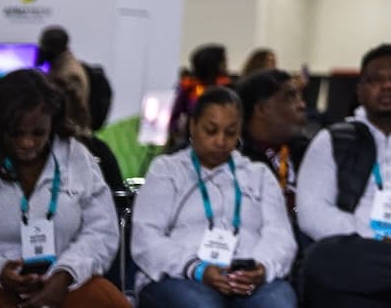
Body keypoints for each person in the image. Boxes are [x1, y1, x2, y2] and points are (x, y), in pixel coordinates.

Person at [130, 87, 295, 308]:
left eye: (230, 132)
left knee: (278, 304)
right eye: (211, 130)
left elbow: (280, 235)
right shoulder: (167, 170)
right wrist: (197, 269)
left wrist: (261, 268)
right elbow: (146, 238)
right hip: (182, 276)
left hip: (248, 279)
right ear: (193, 126)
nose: (220, 141)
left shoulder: (259, 175)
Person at [292, 47, 391, 308]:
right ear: (359, 90)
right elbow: (312, 213)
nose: (387, 86)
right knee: (321, 258)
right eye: (375, 79)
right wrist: (376, 238)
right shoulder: (332, 139)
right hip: (358, 253)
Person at [0, 71, 123, 308]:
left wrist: (66, 273)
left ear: (53, 124)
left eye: (38, 133)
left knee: (108, 301)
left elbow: (101, 230)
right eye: (16, 133)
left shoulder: (76, 157)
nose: (27, 143)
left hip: (67, 282)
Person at [232, 72, 310, 224]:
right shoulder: (236, 160)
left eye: (300, 97)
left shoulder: (308, 151)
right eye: (290, 97)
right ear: (261, 109)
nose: (302, 105)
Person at [169, 48, 229, 150]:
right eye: (223, 61)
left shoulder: (226, 85)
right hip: (191, 138)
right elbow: (176, 113)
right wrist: (175, 134)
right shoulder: (189, 87)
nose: (226, 65)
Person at [31, 34, 87, 133]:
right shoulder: (60, 67)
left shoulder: (67, 74)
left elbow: (73, 111)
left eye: (43, 46)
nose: (40, 50)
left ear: (52, 48)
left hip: (69, 133)